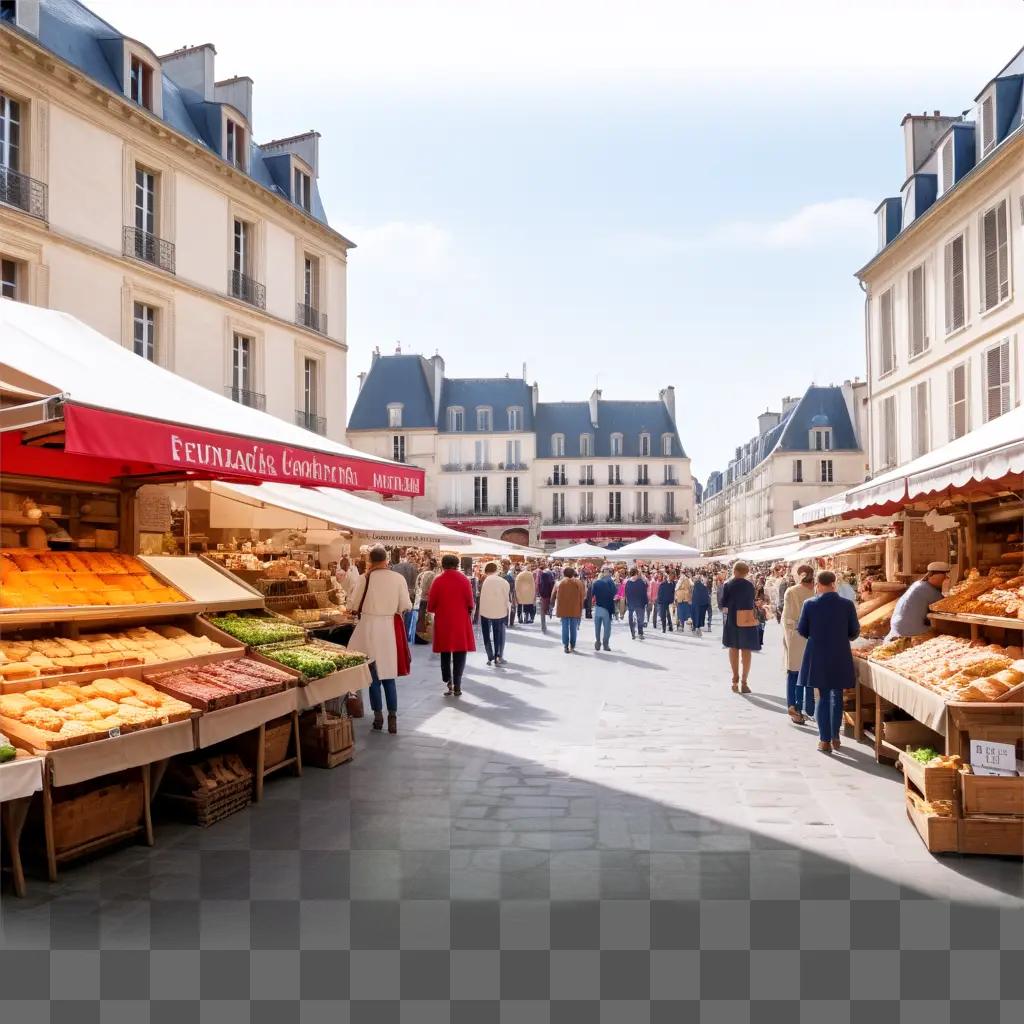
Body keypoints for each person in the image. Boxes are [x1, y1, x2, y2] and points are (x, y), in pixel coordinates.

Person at [348, 544, 413, 734]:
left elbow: (352, 604)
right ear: (386, 560)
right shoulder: (398, 578)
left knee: (373, 677)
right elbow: (405, 605)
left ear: (370, 561)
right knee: (389, 676)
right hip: (389, 630)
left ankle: (378, 718)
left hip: (368, 627)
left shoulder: (364, 578)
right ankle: (392, 718)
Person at [797, 569, 860, 753]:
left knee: (823, 696)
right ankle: (835, 737)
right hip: (840, 652)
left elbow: (802, 629)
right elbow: (854, 631)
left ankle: (824, 740)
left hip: (817, 653)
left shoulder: (809, 604)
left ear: (817, 584)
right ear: (834, 583)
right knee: (837, 695)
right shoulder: (847, 605)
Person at [428, 554, 476, 696]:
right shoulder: (464, 580)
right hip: (460, 620)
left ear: (442, 565)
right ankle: (458, 684)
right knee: (460, 652)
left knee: (445, 652)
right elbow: (470, 603)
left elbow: (431, 605)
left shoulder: (438, 581)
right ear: (457, 565)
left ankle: (448, 681)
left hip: (443, 620)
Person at [719, 561, 762, 693]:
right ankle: (744, 681)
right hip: (747, 620)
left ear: (735, 571)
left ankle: (735, 679)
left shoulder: (728, 585)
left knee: (733, 648)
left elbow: (722, 603)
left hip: (732, 619)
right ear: (746, 572)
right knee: (746, 650)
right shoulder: (750, 585)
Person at [782, 564, 816, 724]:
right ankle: (809, 708)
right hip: (812, 636)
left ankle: (795, 708)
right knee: (809, 673)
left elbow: (787, 618)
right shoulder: (816, 593)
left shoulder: (791, 591)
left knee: (794, 673)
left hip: (795, 636)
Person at [886, 562, 950, 640]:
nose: (946, 578)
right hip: (911, 630)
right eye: (944, 576)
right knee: (945, 634)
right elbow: (947, 606)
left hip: (896, 627)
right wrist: (946, 587)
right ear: (933, 576)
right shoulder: (931, 591)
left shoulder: (917, 584)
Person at [479, 561, 512, 666]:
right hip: (499, 612)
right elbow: (507, 598)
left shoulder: (484, 580)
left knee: (486, 634)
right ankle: (498, 656)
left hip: (485, 611)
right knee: (498, 634)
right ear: (497, 570)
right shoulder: (503, 582)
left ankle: (490, 657)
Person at [553, 565, 586, 653]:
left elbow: (554, 595)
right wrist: (581, 607)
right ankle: (572, 644)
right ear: (573, 574)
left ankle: (565, 645)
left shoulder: (560, 583)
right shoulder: (578, 583)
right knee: (573, 627)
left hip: (563, 608)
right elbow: (583, 596)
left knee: (564, 627)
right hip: (575, 608)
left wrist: (552, 605)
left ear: (564, 574)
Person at [413, 557, 438, 645]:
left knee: (420, 618)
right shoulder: (432, 574)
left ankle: (418, 636)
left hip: (419, 599)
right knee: (426, 619)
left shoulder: (421, 574)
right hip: (426, 599)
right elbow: (431, 589)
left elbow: (416, 587)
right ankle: (424, 637)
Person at [591, 565, 616, 651]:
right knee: (607, 628)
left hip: (598, 607)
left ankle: (598, 641)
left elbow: (592, 594)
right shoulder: (611, 582)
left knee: (597, 627)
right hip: (607, 608)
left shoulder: (596, 582)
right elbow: (615, 592)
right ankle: (606, 644)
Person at [624, 567, 648, 640]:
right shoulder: (640, 581)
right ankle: (640, 633)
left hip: (631, 604)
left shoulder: (628, 582)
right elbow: (644, 591)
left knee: (631, 619)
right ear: (636, 574)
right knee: (640, 619)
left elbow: (626, 594)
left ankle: (633, 633)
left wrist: (627, 602)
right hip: (639, 604)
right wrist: (645, 602)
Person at [536, 561, 556, 634]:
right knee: (548, 607)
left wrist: (539, 593)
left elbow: (539, 585)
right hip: (549, 595)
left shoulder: (542, 574)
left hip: (543, 596)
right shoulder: (551, 574)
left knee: (542, 612)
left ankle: (543, 627)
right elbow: (552, 585)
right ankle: (549, 613)